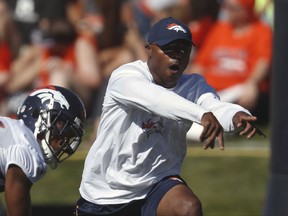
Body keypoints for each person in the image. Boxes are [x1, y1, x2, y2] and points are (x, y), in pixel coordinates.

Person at [75, 17, 263, 216]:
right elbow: (158, 100)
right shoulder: (125, 77)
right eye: (169, 49)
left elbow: (214, 106)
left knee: (188, 207)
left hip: (157, 183)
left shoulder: (193, 84)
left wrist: (237, 116)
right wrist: (201, 115)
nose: (177, 56)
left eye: (184, 49)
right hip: (106, 193)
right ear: (149, 49)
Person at [0, 85, 86, 216]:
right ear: (38, 114)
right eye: (64, 130)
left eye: (69, 137)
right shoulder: (26, 144)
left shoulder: (11, 132)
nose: (64, 141)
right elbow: (17, 199)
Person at [190, 0, 272, 124]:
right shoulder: (220, 28)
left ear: (245, 11)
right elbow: (200, 64)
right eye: (226, 6)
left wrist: (252, 83)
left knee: (236, 98)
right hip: (211, 89)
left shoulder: (261, 30)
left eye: (231, 8)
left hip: (237, 91)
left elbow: (263, 61)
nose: (226, 10)